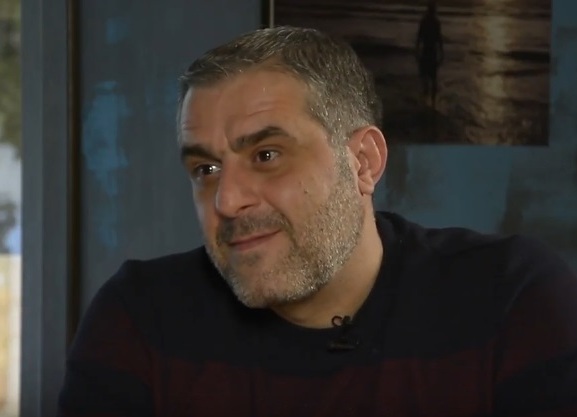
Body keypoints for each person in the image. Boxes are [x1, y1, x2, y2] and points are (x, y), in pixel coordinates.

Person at [58, 26, 577, 416]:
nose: (226, 201)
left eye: (266, 155)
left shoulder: (510, 297)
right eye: (206, 169)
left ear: (364, 162)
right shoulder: (141, 319)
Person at [416, 0, 444, 107]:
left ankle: (428, 101)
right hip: (431, 52)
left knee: (427, 78)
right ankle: (432, 102)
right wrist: (442, 52)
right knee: (432, 78)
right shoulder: (435, 22)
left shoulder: (425, 21)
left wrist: (416, 51)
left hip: (427, 51)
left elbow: (419, 38)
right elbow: (439, 39)